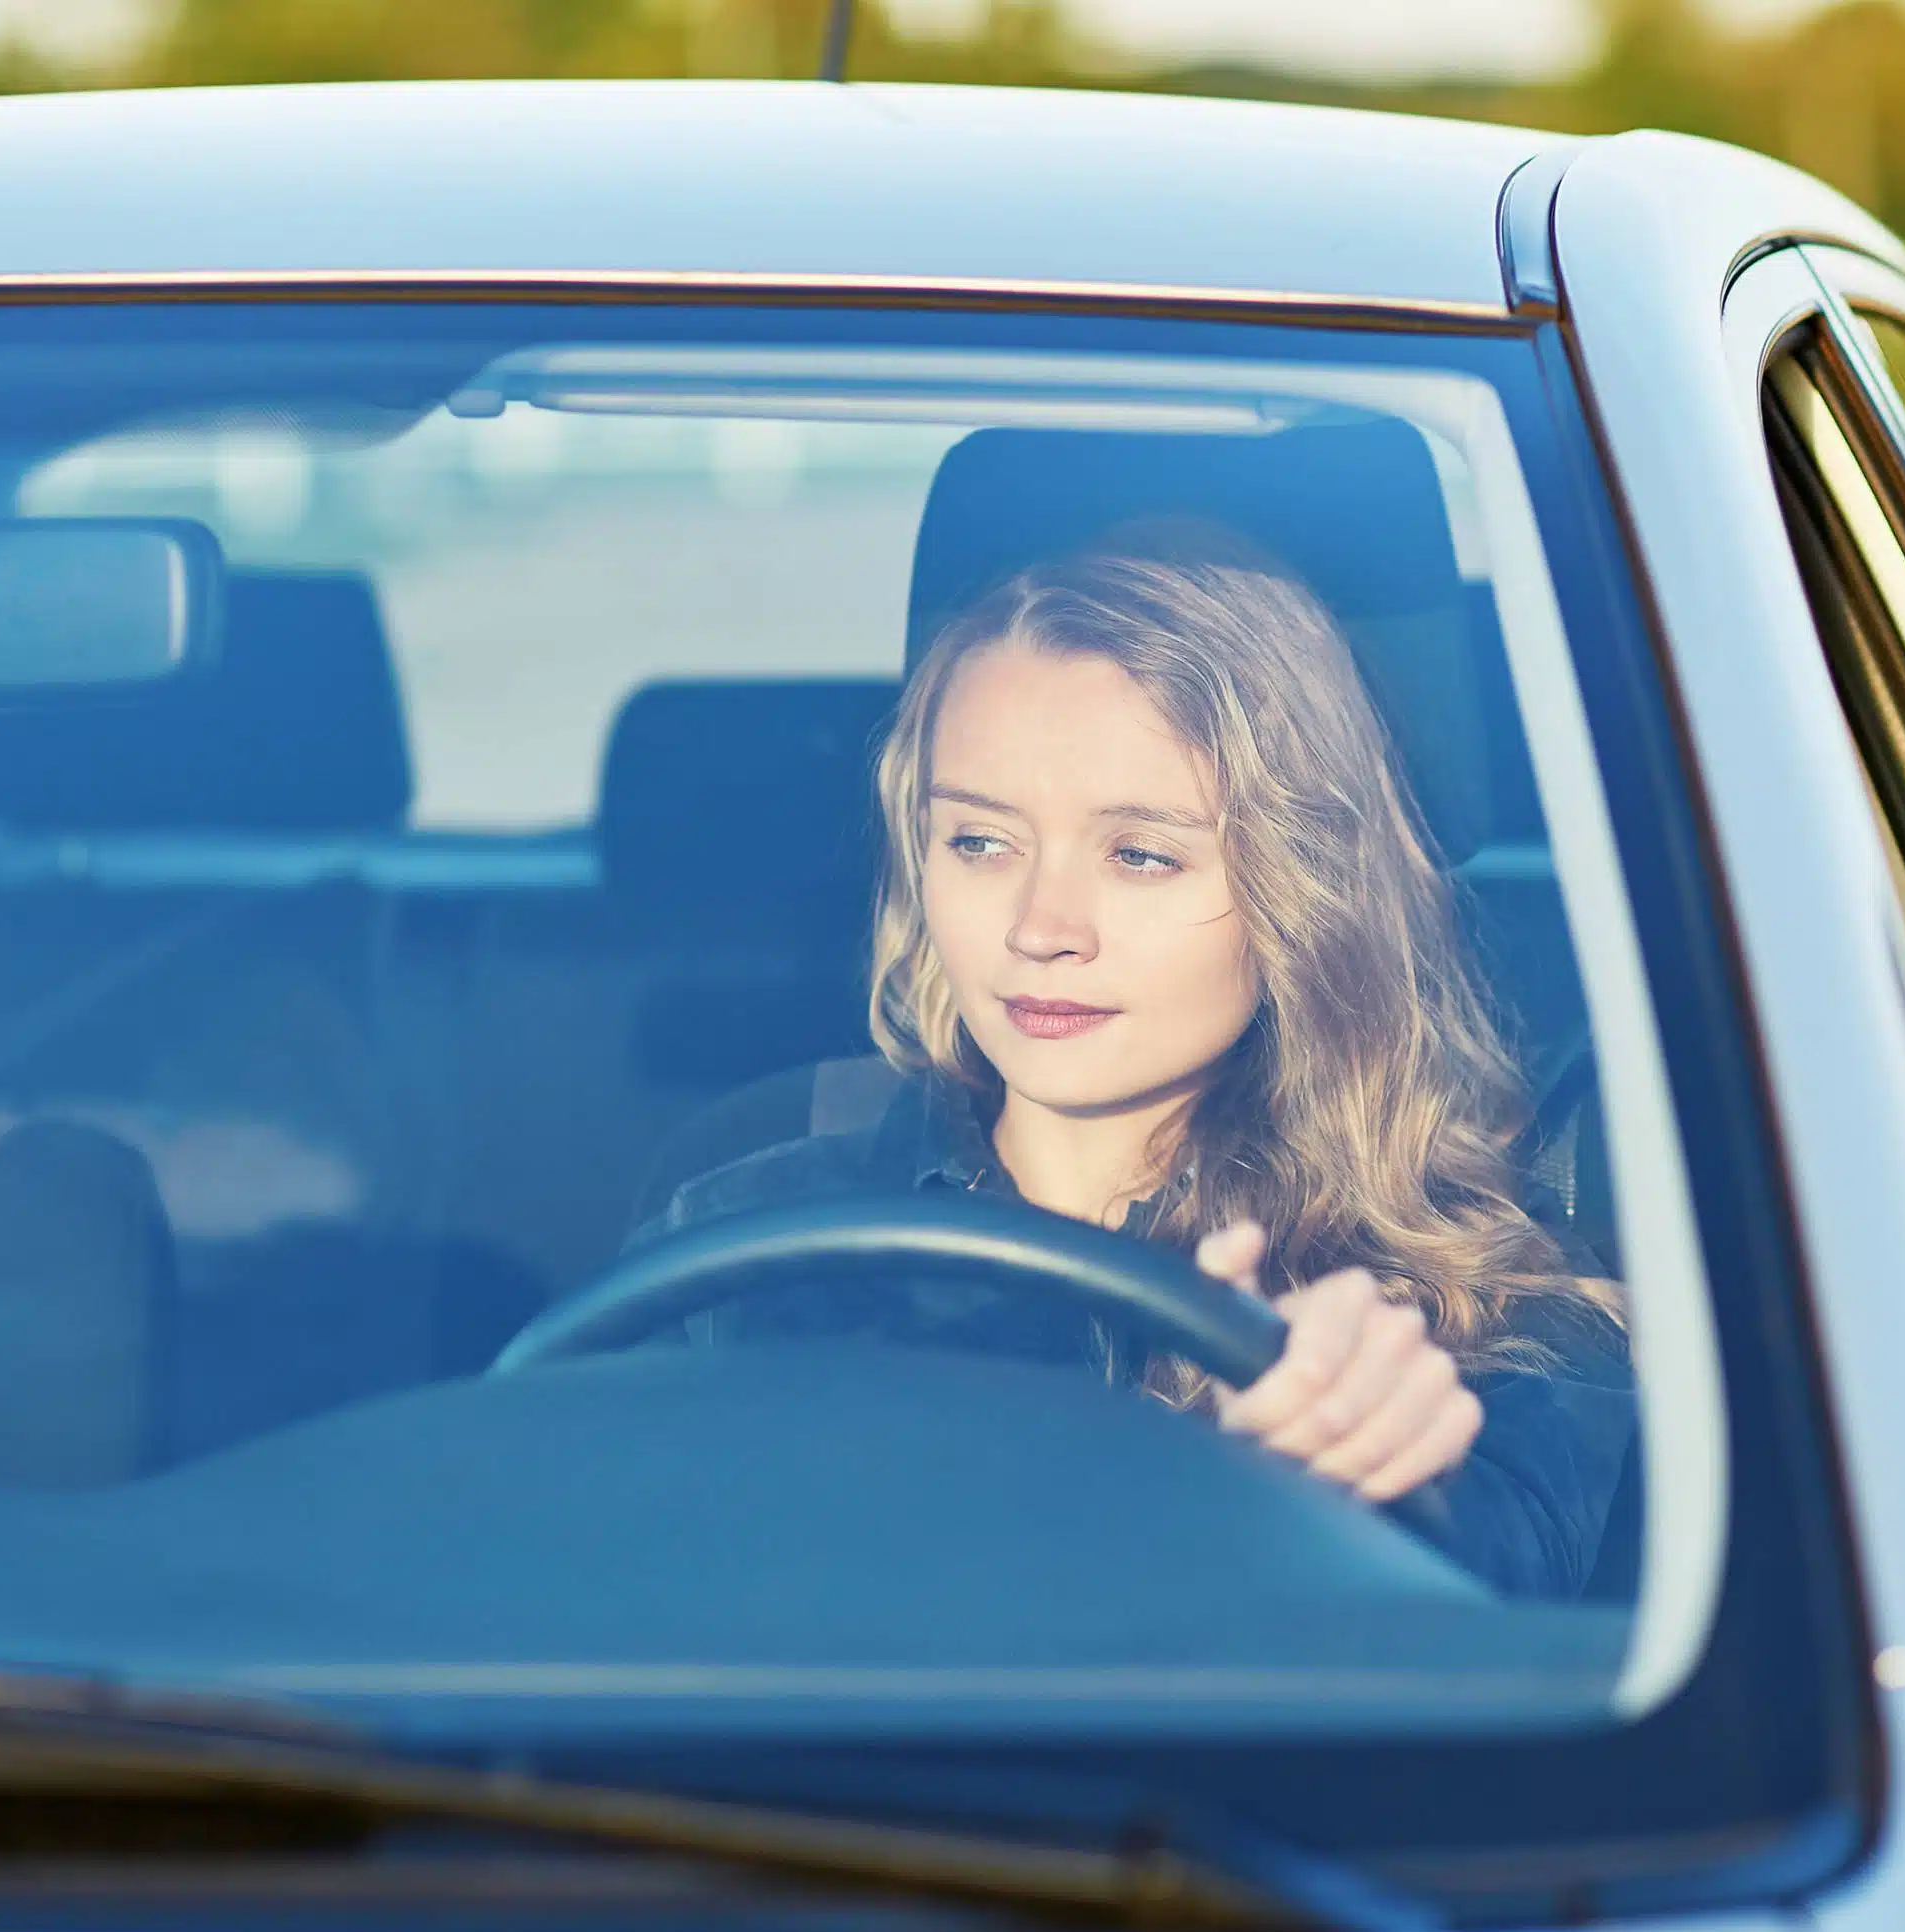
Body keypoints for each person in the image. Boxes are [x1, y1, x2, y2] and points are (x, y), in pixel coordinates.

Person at [633, 545, 1634, 1600]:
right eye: (979, 840)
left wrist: (1372, 1502)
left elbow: (1514, 1596)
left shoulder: (1491, 1312)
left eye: (1140, 854)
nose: (1039, 929)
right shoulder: (735, 1247)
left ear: (1302, 891)